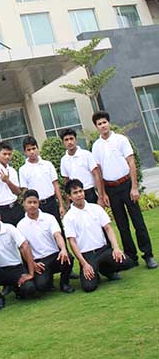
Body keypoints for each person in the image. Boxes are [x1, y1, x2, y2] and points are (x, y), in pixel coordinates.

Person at [92, 111, 157, 270]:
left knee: (138, 222)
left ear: (109, 123)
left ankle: (148, 255)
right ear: (96, 127)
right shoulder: (96, 146)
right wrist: (102, 194)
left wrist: (134, 187)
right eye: (99, 124)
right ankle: (131, 257)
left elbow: (131, 163)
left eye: (104, 122)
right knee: (122, 225)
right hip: (111, 188)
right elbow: (98, 172)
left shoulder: (121, 139)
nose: (103, 126)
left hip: (126, 185)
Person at [63, 178, 134, 292]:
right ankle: (96, 271)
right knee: (89, 287)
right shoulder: (68, 218)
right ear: (69, 196)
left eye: (81, 191)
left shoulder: (96, 208)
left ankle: (107, 271)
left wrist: (116, 248)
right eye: (75, 193)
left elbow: (108, 228)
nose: (79, 195)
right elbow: (72, 242)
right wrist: (84, 264)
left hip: (103, 250)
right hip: (87, 256)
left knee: (127, 262)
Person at [0, 202, 36, 311]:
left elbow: (25, 246)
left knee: (30, 289)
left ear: (0, 216)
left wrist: (30, 273)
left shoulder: (9, 228)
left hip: (15, 268)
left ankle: (16, 288)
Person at [17, 189, 74, 294]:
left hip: (54, 256)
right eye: (29, 202)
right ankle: (48, 281)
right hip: (39, 261)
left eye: (35, 202)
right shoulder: (20, 225)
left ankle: (64, 283)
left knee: (68, 258)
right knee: (42, 286)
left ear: (38, 203)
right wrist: (32, 263)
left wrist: (63, 249)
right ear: (24, 203)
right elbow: (23, 249)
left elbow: (57, 235)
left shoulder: (49, 218)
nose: (32, 205)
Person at [19, 136, 65, 222]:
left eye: (34, 148)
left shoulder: (48, 165)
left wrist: (61, 205)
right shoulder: (23, 170)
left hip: (51, 203)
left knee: (57, 227)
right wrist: (27, 208)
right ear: (25, 152)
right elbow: (25, 191)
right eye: (29, 150)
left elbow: (56, 185)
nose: (32, 152)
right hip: (36, 206)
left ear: (38, 148)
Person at [60, 128, 105, 205]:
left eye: (71, 139)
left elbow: (96, 174)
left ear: (76, 140)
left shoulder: (86, 154)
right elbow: (66, 181)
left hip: (89, 192)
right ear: (63, 143)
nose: (69, 142)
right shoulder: (64, 160)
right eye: (66, 140)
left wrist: (101, 197)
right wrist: (68, 202)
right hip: (74, 195)